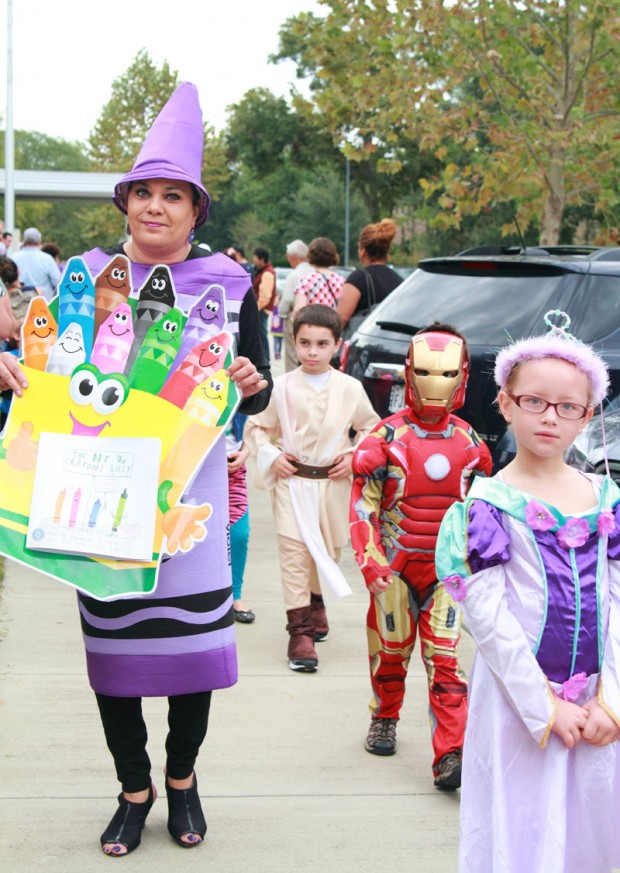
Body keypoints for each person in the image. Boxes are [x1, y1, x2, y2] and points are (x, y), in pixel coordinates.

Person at [0, 82, 271, 857]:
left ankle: (182, 780)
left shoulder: (228, 284)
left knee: (189, 655)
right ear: (127, 203)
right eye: (143, 193)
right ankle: (133, 787)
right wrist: (12, 371)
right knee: (115, 653)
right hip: (96, 494)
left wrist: (254, 384)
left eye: (172, 195)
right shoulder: (87, 276)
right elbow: (43, 363)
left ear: (195, 210)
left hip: (190, 500)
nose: (155, 207)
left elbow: (255, 387)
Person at [436, 313, 620, 872]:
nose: (551, 418)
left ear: (588, 416)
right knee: (521, 822)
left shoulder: (605, 498)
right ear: (506, 402)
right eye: (535, 401)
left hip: (599, 707)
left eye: (570, 407)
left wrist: (612, 698)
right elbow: (488, 619)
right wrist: (543, 705)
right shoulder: (487, 504)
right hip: (520, 705)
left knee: (593, 824)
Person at [350, 323, 492, 789]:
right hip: (394, 568)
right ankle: (384, 717)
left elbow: (480, 513)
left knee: (446, 660)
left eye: (448, 372)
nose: (437, 382)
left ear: (463, 375)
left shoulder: (472, 445)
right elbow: (363, 503)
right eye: (428, 371)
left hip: (447, 573)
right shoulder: (384, 438)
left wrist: (483, 563)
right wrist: (369, 559)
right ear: (410, 372)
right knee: (391, 654)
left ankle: (451, 753)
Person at [245, 305, 378, 672]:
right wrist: (271, 455)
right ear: (294, 342)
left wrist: (354, 456)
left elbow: (371, 428)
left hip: (332, 486)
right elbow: (257, 428)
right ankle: (299, 632)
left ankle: (316, 602)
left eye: (322, 344)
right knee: (294, 556)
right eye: (305, 343)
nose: (313, 352)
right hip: (292, 482)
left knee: (328, 552)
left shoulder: (351, 388)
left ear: (337, 344)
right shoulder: (281, 387)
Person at [337, 219, 401, 334]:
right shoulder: (399, 280)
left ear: (362, 250)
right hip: (390, 342)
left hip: (365, 344)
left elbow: (341, 319)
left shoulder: (358, 278)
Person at [227, 411, 255, 623]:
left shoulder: (238, 385)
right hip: (196, 469)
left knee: (239, 534)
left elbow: (254, 428)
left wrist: (245, 453)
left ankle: (235, 596)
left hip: (232, 470)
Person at [278, 239, 313, 372]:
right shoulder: (314, 271)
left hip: (295, 316)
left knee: (293, 354)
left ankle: (292, 381)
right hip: (315, 317)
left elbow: (286, 300)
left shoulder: (294, 275)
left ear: (294, 257)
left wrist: (282, 314)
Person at [291, 237, 344, 317]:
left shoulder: (306, 280)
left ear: (310, 255)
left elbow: (298, 310)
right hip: (333, 326)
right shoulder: (341, 280)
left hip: (311, 325)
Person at [12, 227, 59, 302]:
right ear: (39, 241)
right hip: (43, 305)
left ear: (24, 241)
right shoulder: (47, 259)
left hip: (18, 304)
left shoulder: (13, 258)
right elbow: (57, 281)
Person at [252, 247, 276, 364]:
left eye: (255, 257)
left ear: (261, 259)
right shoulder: (262, 271)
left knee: (262, 337)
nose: (254, 260)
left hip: (261, 310)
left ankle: (265, 361)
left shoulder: (267, 273)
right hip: (260, 309)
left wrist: (255, 309)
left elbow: (265, 297)